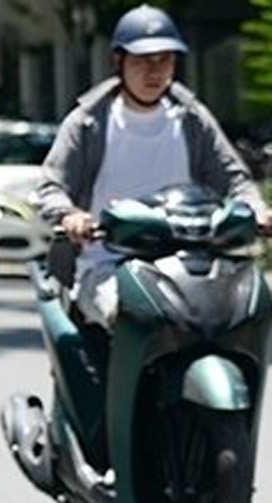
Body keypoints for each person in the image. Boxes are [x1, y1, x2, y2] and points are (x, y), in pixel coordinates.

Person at [34, 4, 269, 331]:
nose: (154, 71)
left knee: (245, 315)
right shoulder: (89, 123)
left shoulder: (191, 119)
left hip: (189, 264)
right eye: (143, 60)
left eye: (165, 60)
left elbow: (234, 179)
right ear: (118, 61)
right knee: (129, 316)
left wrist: (256, 209)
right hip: (107, 265)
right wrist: (69, 216)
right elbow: (51, 187)